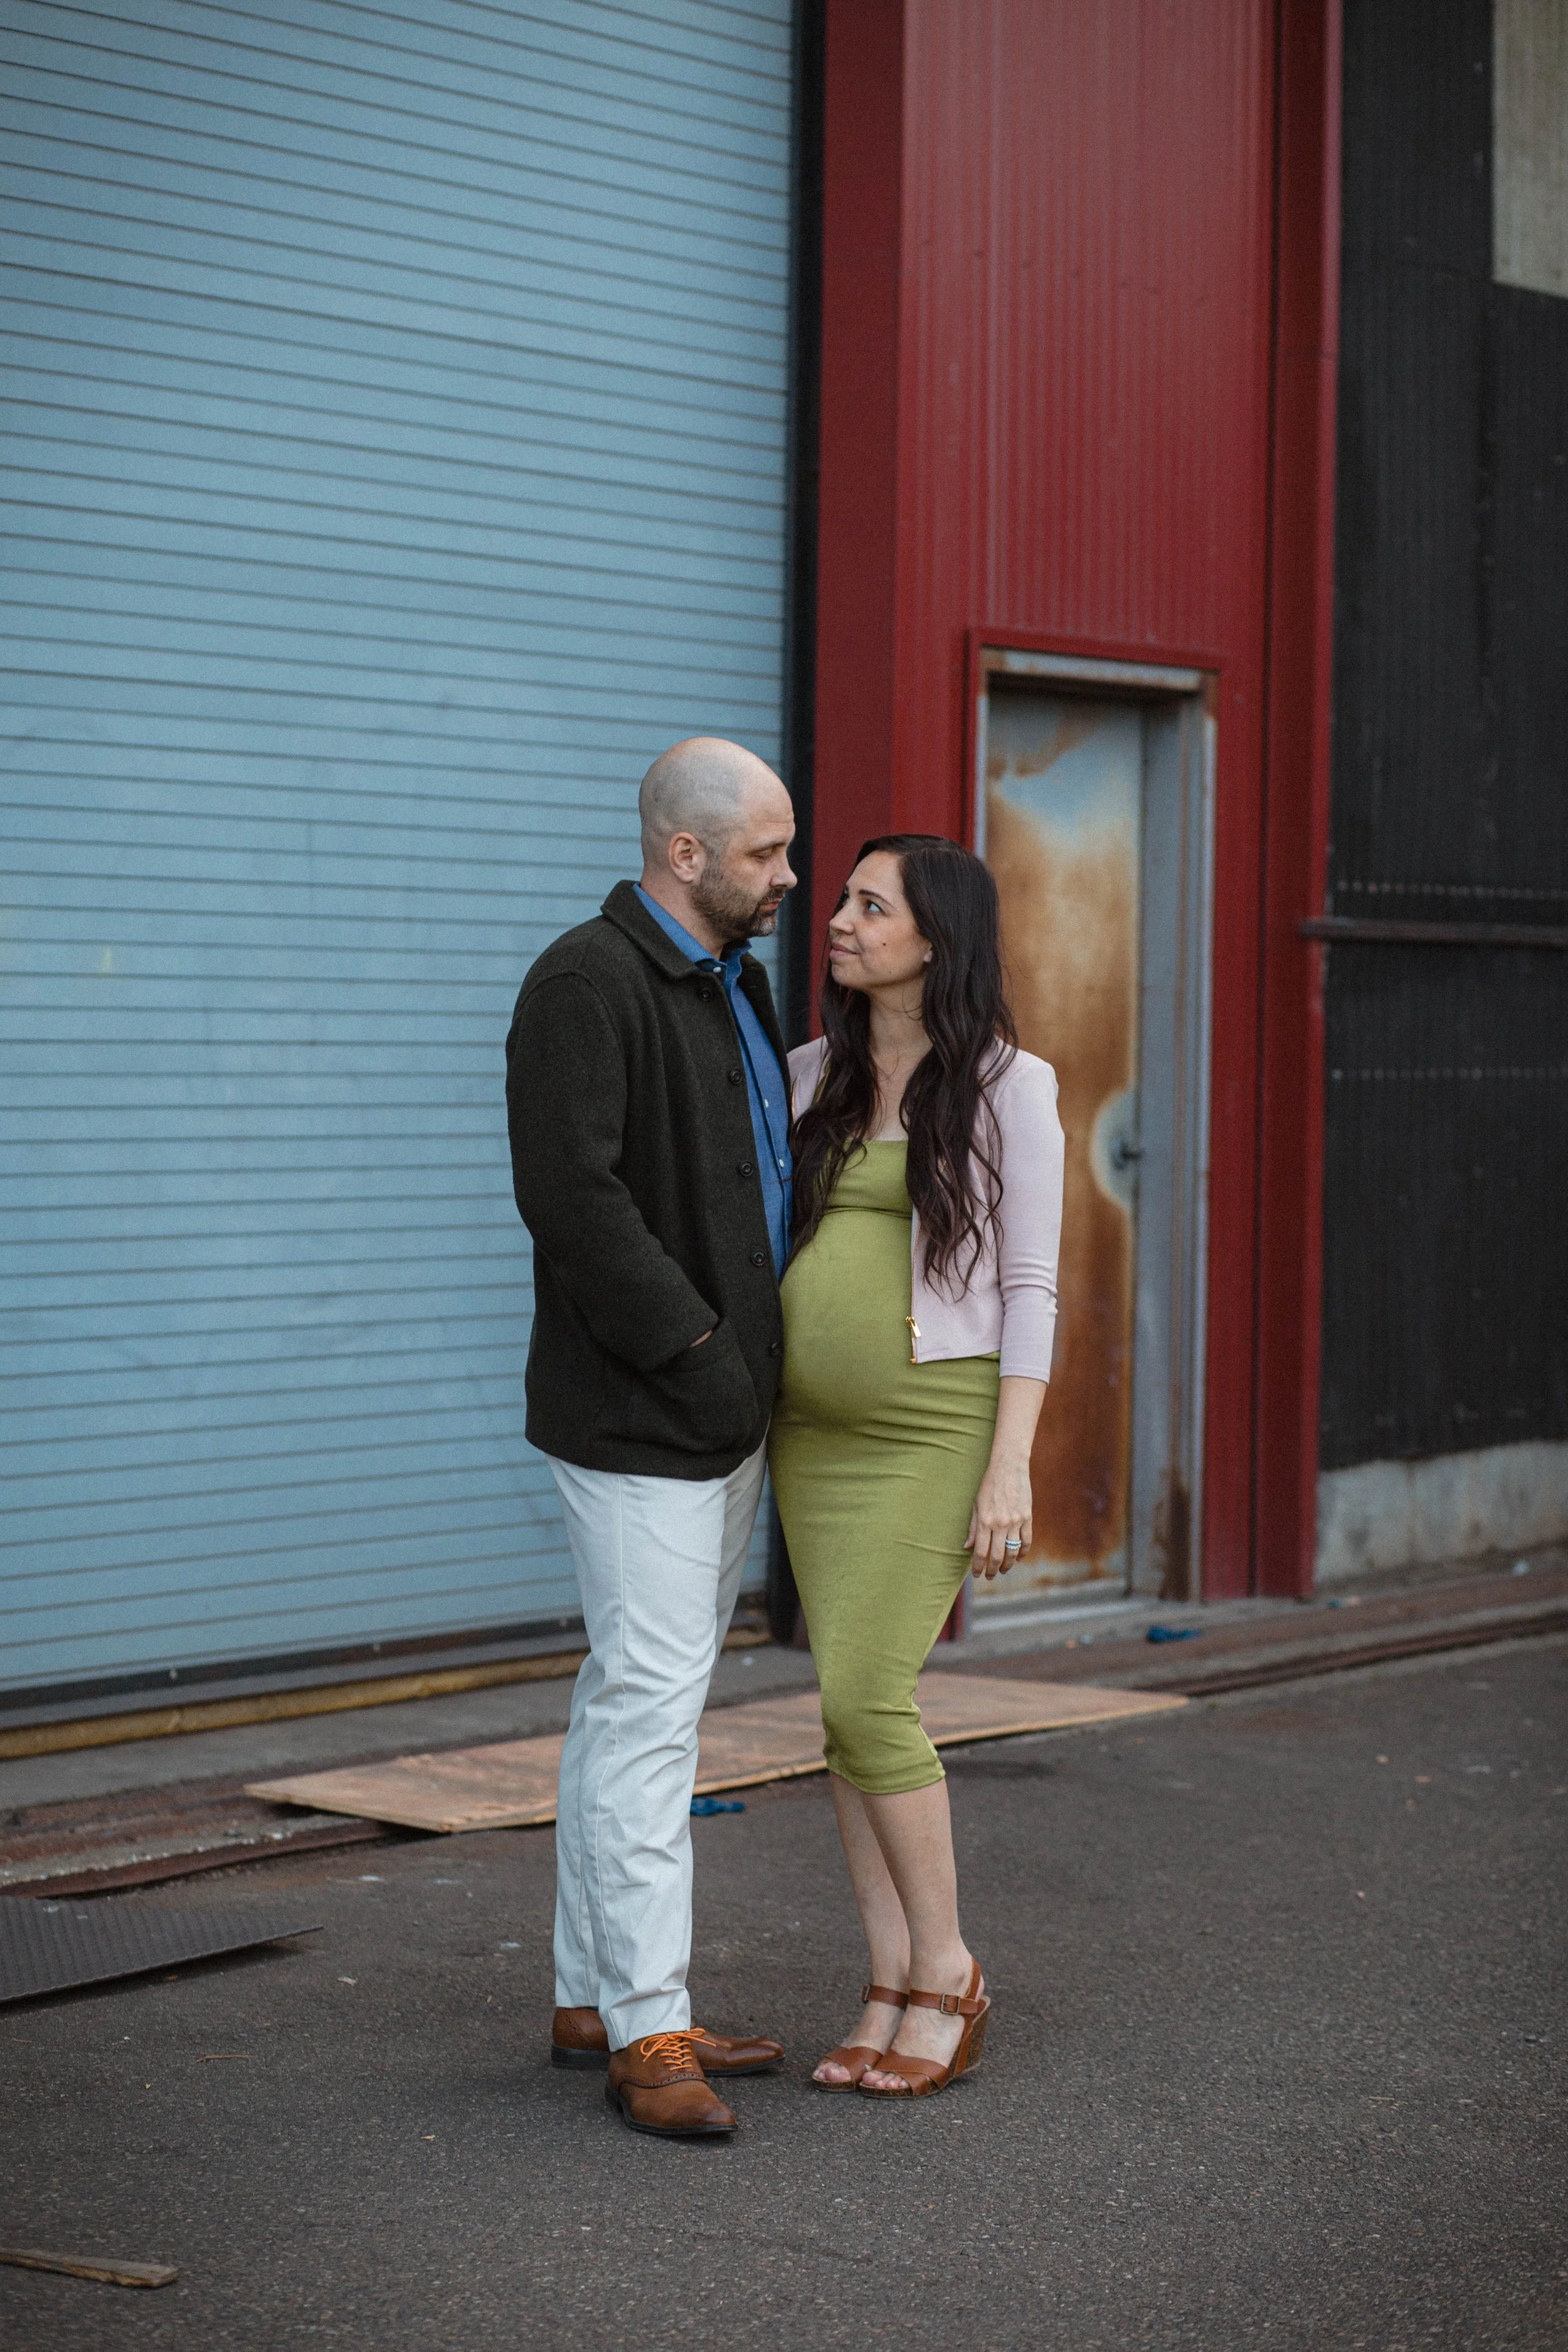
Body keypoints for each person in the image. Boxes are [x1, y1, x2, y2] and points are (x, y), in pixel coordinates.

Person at [506, 738, 798, 2139]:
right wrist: (698, 1354)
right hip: (645, 1416)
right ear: (685, 853)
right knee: (648, 1720)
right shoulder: (586, 982)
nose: (789, 876)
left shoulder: (730, 981)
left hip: (716, 1413)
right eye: (766, 852)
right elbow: (573, 1199)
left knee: (622, 1701)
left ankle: (593, 1996)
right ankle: (647, 2028)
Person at [769, 834, 1064, 2098]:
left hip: (932, 1429)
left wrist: (1011, 1465)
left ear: (935, 940)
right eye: (840, 899)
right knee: (845, 1700)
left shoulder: (1009, 1085)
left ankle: (947, 1969)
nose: (837, 919)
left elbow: (1032, 1284)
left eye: (868, 905)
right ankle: (886, 1976)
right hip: (812, 1437)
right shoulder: (807, 1072)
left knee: (868, 1695)